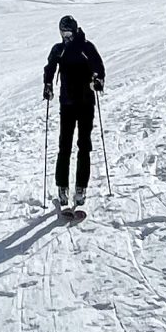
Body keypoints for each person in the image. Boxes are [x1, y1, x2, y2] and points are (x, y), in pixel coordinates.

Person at [43, 13, 106, 209]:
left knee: (84, 145)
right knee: (64, 145)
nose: (66, 36)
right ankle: (62, 187)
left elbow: (99, 66)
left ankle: (81, 188)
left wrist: (97, 80)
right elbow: (50, 68)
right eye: (63, 33)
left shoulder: (86, 47)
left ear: (76, 30)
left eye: (69, 32)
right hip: (67, 104)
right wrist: (47, 85)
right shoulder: (59, 49)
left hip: (86, 103)